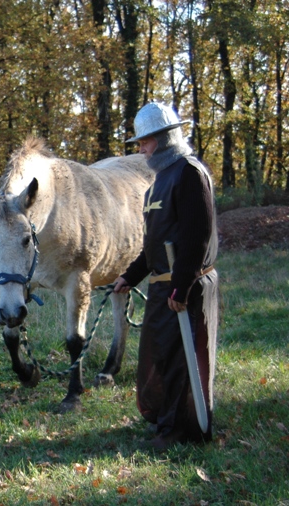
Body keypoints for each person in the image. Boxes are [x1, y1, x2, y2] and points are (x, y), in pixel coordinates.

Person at [113, 102, 219, 450]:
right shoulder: (159, 182)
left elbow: (197, 234)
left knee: (180, 360)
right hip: (164, 289)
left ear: (162, 138)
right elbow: (155, 244)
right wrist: (130, 276)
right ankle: (165, 419)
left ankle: (180, 428)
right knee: (161, 357)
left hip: (182, 289)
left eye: (144, 142)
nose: (140, 149)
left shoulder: (189, 173)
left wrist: (182, 285)